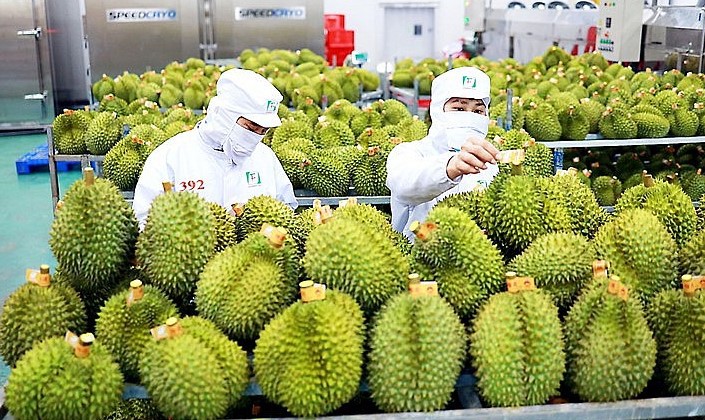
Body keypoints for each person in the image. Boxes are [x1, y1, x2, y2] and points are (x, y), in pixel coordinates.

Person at [133, 68, 297, 229]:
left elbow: (286, 212)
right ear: (224, 115)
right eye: (251, 127)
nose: (256, 136)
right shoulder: (169, 158)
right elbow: (144, 223)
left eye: (264, 131)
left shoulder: (266, 158)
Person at [386, 66, 499, 239]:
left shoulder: (491, 165)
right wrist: (450, 167)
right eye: (459, 109)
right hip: (414, 260)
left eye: (478, 111)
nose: (469, 117)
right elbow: (404, 183)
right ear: (438, 111)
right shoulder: (408, 153)